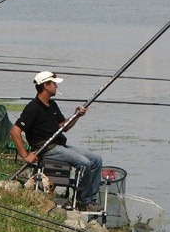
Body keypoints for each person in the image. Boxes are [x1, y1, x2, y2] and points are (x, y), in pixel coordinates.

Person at [11, 71, 103, 212]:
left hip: (60, 146)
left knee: (96, 159)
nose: (56, 87)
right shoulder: (32, 108)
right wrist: (25, 155)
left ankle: (91, 198)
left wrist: (76, 116)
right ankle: (84, 202)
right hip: (46, 149)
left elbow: (63, 127)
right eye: (54, 84)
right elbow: (15, 131)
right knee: (83, 162)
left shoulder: (52, 105)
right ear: (46, 85)